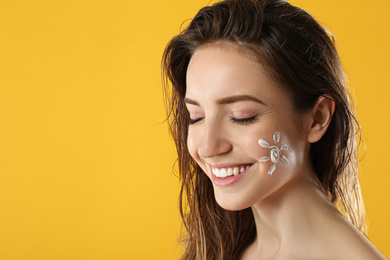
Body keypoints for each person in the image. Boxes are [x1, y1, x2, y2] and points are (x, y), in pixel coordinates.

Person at [162, 0, 387, 259]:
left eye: (241, 117)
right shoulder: (223, 247)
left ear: (317, 119)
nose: (207, 147)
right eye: (196, 117)